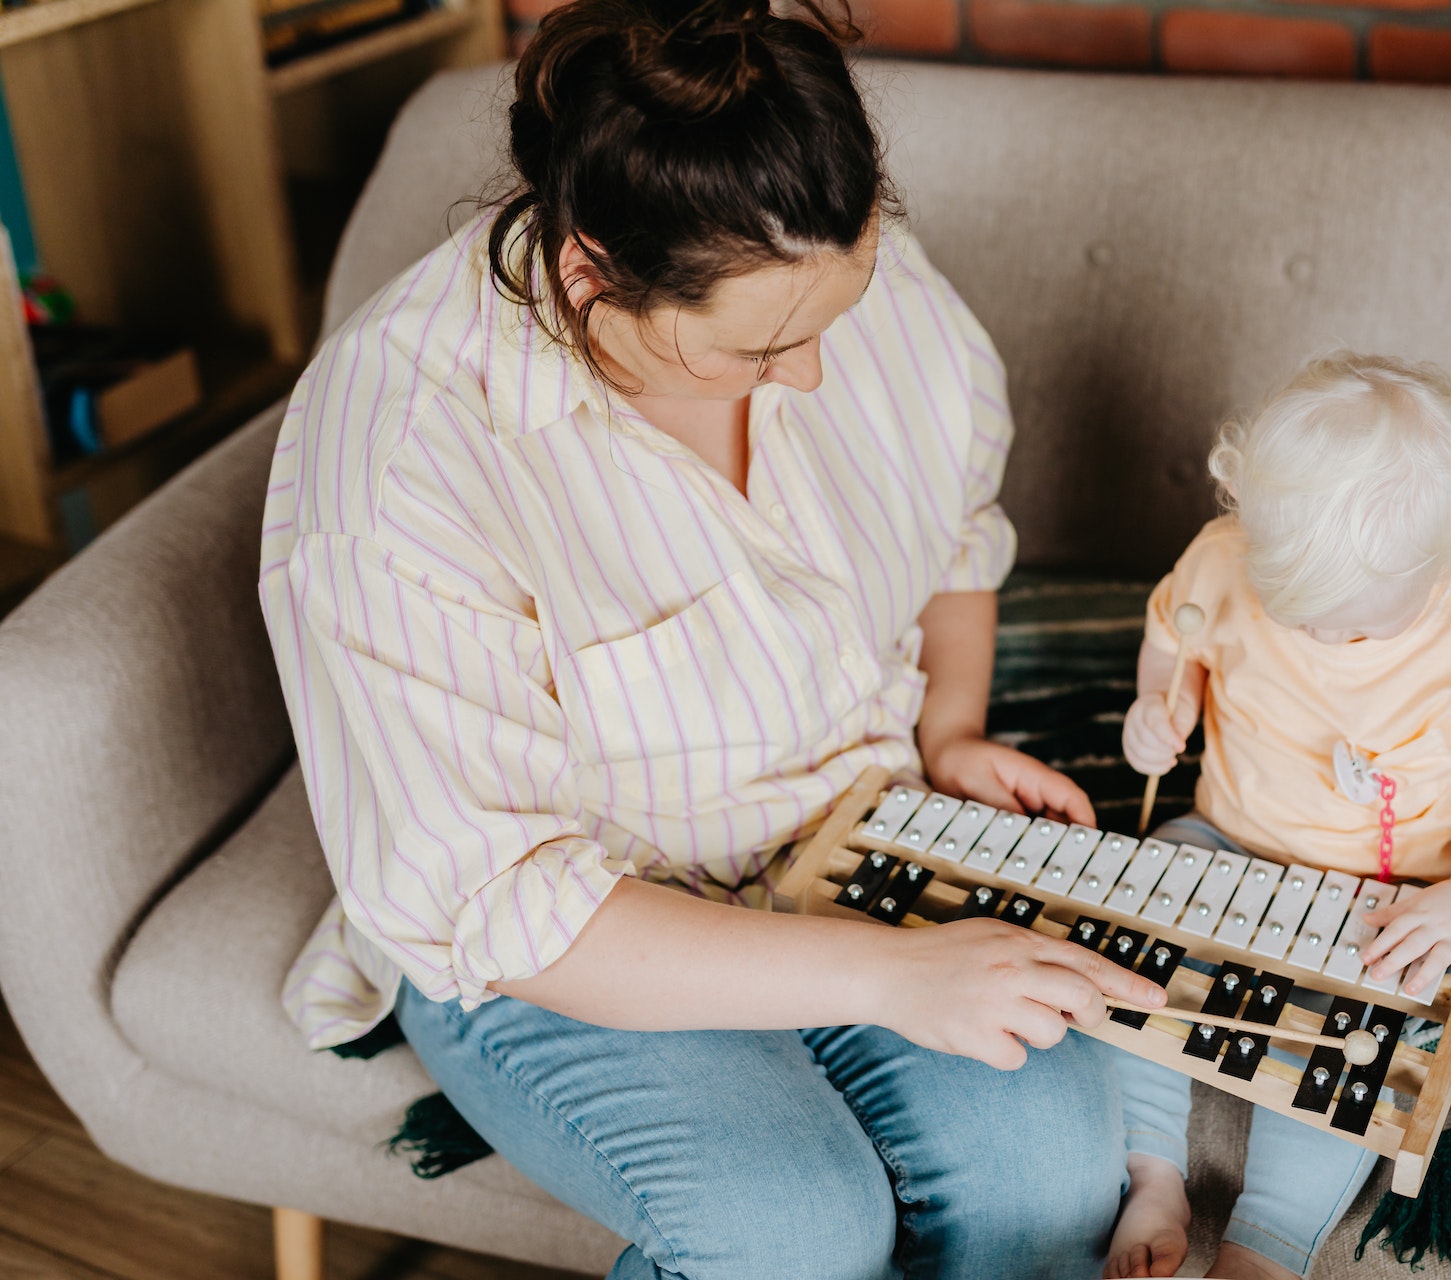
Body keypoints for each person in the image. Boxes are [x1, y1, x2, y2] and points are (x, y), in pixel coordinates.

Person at [258, 1, 1164, 1275]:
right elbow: (514, 904)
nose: (807, 375)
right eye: (761, 347)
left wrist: (950, 728)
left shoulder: (837, 266)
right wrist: (890, 979)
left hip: (859, 832)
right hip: (586, 936)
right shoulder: (406, 456)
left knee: (1050, 1183)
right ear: (589, 274)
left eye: (829, 321)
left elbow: (960, 520)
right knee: (793, 1227)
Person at [1106, 353, 1451, 1279]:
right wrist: (1158, 707)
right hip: (1227, 843)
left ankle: (1264, 1246)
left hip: (1388, 894)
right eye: (1300, 616)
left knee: (1355, 1029)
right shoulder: (1222, 560)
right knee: (1131, 932)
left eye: (1355, 623)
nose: (1325, 638)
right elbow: (1175, 637)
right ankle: (1152, 1176)